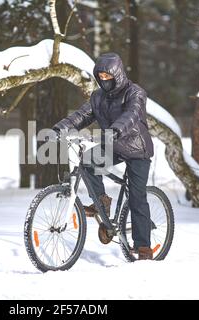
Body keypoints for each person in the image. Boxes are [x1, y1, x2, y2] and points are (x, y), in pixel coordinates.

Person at [52, 52, 155, 260]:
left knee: (136, 197)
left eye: (108, 76)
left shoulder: (135, 92)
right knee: (88, 161)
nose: (104, 80)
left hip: (137, 149)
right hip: (113, 144)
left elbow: (132, 115)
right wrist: (61, 128)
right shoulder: (98, 97)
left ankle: (144, 246)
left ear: (117, 75)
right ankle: (102, 202)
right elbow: (82, 115)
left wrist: (116, 130)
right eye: (101, 77)